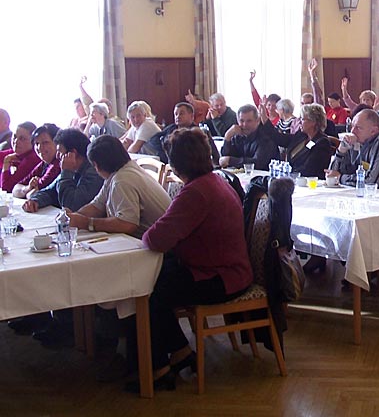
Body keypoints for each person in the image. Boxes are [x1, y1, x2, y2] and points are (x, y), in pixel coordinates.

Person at [134, 128, 253, 393]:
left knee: (148, 291)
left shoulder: (195, 193)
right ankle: (179, 353)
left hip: (222, 278)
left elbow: (155, 240)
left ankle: (160, 368)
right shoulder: (215, 181)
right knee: (157, 281)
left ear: (176, 165)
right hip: (228, 269)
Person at [66, 135, 171, 238]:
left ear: (96, 165)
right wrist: (75, 217)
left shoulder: (122, 180)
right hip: (154, 237)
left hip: (162, 243)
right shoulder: (120, 171)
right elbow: (97, 206)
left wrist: (88, 223)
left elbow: (127, 224)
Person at [23, 128, 103, 213]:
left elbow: (71, 206)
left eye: (60, 152)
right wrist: (35, 201)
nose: (57, 156)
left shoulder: (94, 172)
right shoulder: (73, 169)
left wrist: (67, 172)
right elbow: (49, 192)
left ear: (73, 153)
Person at [328, 109, 379, 192]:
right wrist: (341, 150)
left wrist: (340, 178)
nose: (352, 131)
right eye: (352, 126)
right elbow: (332, 174)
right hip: (366, 195)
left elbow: (371, 182)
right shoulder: (354, 142)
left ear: (373, 131)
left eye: (358, 128)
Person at [258, 102, 333, 178]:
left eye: (302, 119)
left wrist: (289, 173)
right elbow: (278, 138)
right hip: (293, 178)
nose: (299, 122)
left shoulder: (322, 143)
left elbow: (309, 169)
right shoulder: (301, 136)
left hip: (310, 182)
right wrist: (264, 117)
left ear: (313, 122)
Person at [150, 102, 220, 166]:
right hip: (167, 162)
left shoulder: (198, 132)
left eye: (181, 113)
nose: (178, 116)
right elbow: (154, 139)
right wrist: (163, 151)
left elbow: (214, 153)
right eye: (176, 114)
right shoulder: (172, 128)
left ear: (191, 116)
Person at [219, 104, 280, 170]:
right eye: (242, 121)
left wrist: (231, 161)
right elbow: (225, 159)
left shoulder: (266, 137)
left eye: (249, 121)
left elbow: (258, 163)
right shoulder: (237, 136)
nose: (245, 125)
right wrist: (227, 137)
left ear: (257, 121)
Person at [11, 123, 61, 199]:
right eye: (37, 144)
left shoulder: (58, 164)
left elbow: (33, 195)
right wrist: (27, 188)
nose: (40, 148)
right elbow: (15, 189)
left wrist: (28, 191)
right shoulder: (44, 164)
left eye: (45, 143)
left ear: (57, 144)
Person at [0, 121, 40, 192]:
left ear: (33, 141)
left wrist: (6, 162)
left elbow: (6, 187)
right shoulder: (20, 152)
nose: (16, 141)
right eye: (15, 137)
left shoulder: (33, 158)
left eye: (22, 139)